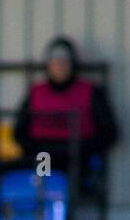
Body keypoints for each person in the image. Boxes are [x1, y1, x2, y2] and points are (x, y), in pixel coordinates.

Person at [13, 36, 118, 186]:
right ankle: (44, 198)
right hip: (44, 153)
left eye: (65, 62)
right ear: (48, 65)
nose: (60, 67)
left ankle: (68, 199)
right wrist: (35, 146)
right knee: (41, 176)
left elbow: (110, 132)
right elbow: (19, 131)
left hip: (77, 153)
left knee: (73, 172)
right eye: (55, 62)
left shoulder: (90, 92)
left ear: (73, 64)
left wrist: (85, 146)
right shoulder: (36, 92)